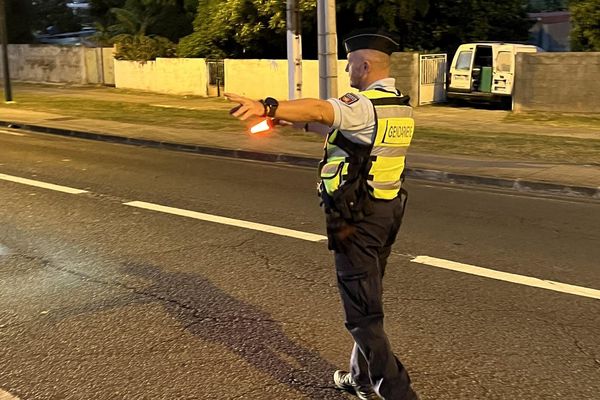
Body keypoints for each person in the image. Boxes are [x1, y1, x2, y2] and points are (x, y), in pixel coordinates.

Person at [225, 29, 419, 400]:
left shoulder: (361, 102)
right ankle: (360, 379)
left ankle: (398, 393)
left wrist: (269, 106)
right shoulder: (396, 103)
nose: (348, 71)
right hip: (386, 211)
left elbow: (320, 108)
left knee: (362, 316)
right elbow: (338, 128)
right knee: (367, 297)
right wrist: (287, 120)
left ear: (364, 65)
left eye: (350, 65)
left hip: (355, 219)